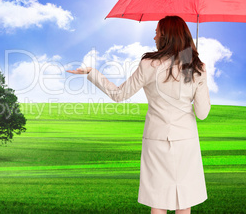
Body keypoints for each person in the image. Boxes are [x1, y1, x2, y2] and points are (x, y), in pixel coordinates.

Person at [67, 15, 211, 214]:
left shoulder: (148, 64)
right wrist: (199, 83)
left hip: (156, 139)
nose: (154, 37)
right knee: (184, 202)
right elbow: (202, 113)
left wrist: (92, 73)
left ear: (167, 36)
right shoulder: (196, 68)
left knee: (158, 201)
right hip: (186, 140)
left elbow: (119, 94)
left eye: (157, 32)